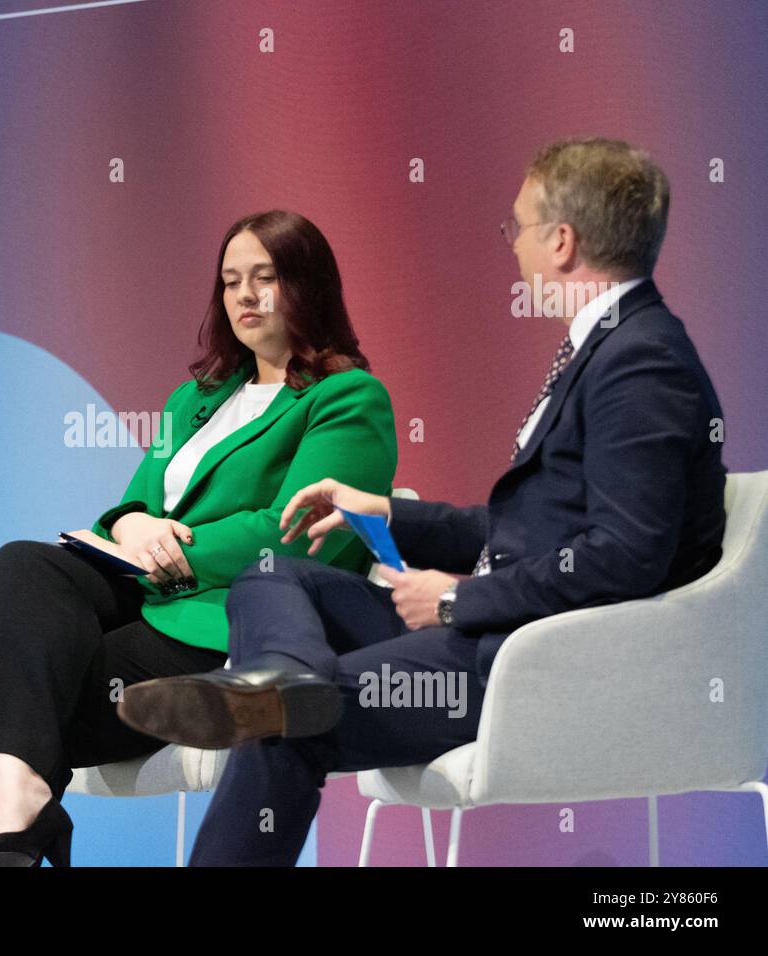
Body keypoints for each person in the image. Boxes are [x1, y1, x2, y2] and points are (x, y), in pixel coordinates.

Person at [119, 138, 728, 866]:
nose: (514, 250)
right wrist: (385, 514)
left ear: (562, 241)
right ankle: (286, 679)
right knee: (274, 573)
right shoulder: (607, 349)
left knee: (284, 726)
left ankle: (285, 693)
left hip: (530, 658)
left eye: (519, 228)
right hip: (491, 633)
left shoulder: (642, 360)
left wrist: (459, 600)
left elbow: (626, 557)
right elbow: (523, 529)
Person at [0, 210, 397, 866]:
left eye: (264, 277)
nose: (243, 294)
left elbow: (295, 533)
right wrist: (132, 524)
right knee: (22, 566)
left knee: (13, 696)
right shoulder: (195, 398)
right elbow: (127, 509)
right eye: (231, 279)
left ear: (308, 286)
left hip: (227, 629)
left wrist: (170, 556)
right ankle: (22, 804)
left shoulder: (349, 399)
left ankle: (18, 815)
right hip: (143, 597)